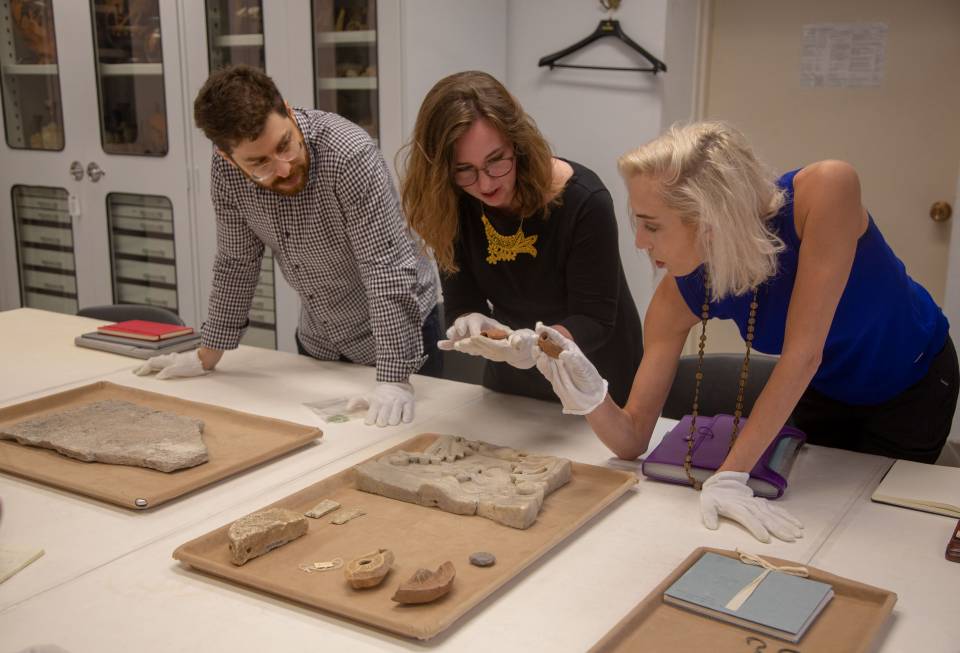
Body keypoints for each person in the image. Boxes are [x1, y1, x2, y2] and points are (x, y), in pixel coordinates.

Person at [535, 121, 959, 543]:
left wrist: (729, 476)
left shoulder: (825, 191)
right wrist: (589, 392)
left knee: (881, 529)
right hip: (824, 387)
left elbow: (802, 354)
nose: (640, 242)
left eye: (652, 225)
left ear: (707, 219)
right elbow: (630, 441)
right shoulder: (675, 298)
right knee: (819, 522)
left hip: (913, 381)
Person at [133, 64, 441, 427]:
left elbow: (386, 268)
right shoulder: (227, 175)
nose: (282, 168)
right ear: (226, 157)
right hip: (321, 337)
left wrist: (393, 379)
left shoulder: (347, 153)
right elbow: (236, 262)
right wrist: (206, 355)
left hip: (401, 338)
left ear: (290, 113)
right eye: (259, 162)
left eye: (285, 145)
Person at [401, 71, 642, 406]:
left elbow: (595, 319)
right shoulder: (451, 203)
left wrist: (540, 344)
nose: (485, 184)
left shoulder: (583, 200)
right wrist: (471, 322)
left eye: (495, 160)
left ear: (518, 143)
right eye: (464, 169)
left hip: (596, 383)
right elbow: (462, 300)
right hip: (513, 381)